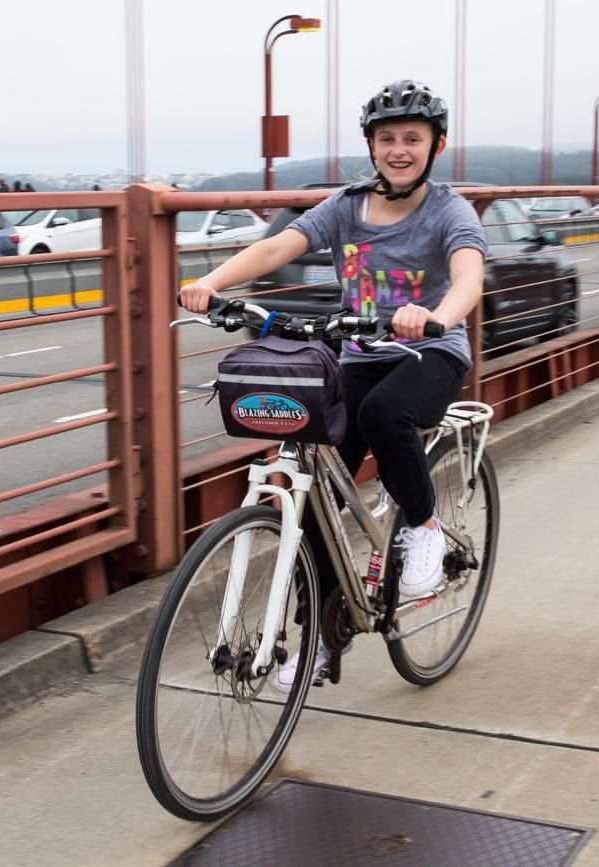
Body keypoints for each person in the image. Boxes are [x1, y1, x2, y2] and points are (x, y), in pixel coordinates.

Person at [178, 79, 486, 687]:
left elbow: (468, 277)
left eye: (412, 139)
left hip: (430, 353)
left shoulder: (449, 210)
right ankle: (319, 641)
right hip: (363, 354)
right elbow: (278, 248)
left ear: (436, 145)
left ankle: (422, 529)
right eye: (387, 139)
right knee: (312, 490)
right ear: (372, 146)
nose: (399, 149)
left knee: (384, 416)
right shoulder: (347, 206)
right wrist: (211, 285)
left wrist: (435, 318)